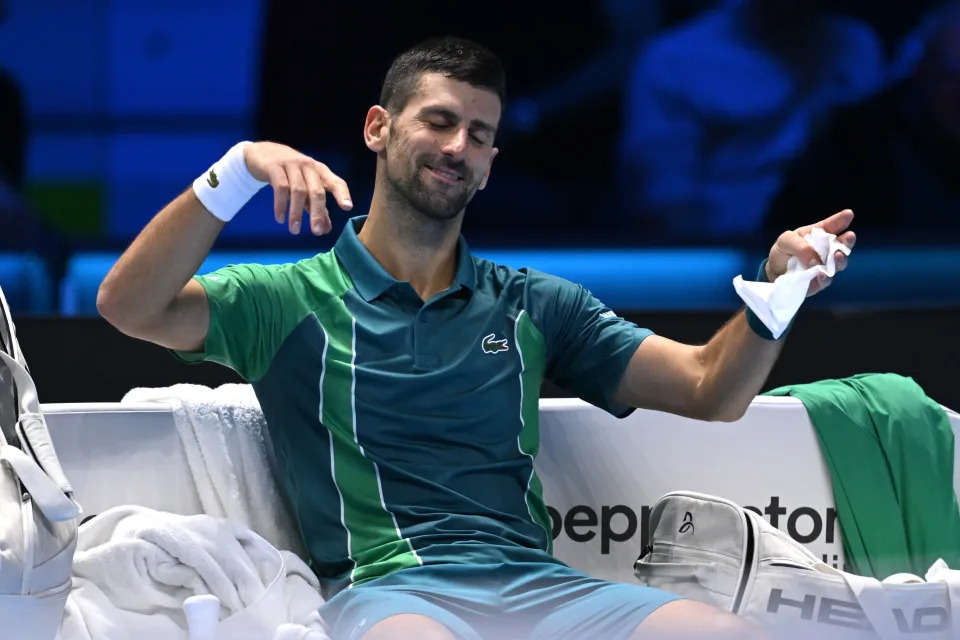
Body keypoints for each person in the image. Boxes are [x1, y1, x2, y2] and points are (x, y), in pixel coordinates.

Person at [97, 36, 854, 640]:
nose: (458, 145)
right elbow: (129, 305)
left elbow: (709, 390)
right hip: (392, 595)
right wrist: (237, 171)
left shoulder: (533, 303)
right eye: (438, 120)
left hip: (543, 590)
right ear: (379, 128)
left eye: (479, 133)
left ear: (491, 164)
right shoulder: (288, 299)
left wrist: (777, 293)